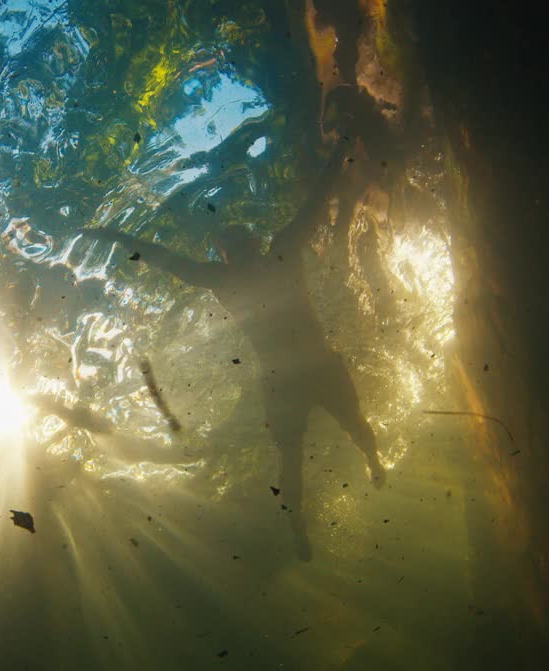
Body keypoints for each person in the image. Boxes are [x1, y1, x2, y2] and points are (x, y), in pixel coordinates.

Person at [79, 150, 386, 561]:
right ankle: (338, 489)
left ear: (237, 248)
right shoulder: (266, 258)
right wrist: (337, 159)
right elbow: (310, 208)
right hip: (304, 369)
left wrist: (336, 161)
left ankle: (363, 466)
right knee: (317, 444)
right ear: (236, 250)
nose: (236, 250)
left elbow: (166, 259)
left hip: (291, 375)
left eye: (235, 244)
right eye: (232, 246)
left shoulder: (233, 272)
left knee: (319, 442)